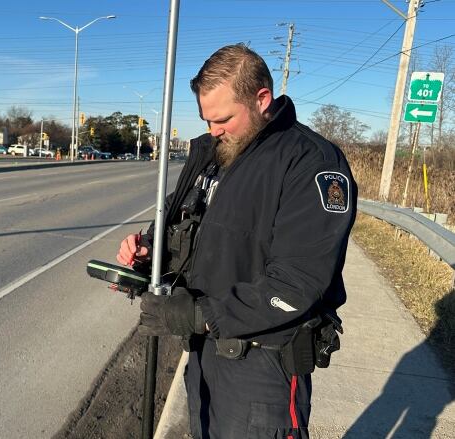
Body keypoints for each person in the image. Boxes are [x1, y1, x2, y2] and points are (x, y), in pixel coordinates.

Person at [116, 44, 356, 439]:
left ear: (262, 99)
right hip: (205, 355)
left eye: (223, 118)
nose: (213, 130)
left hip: (263, 370)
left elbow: (298, 283)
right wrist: (147, 255)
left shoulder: (311, 162)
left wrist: (197, 315)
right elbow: (190, 236)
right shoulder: (212, 155)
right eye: (206, 119)